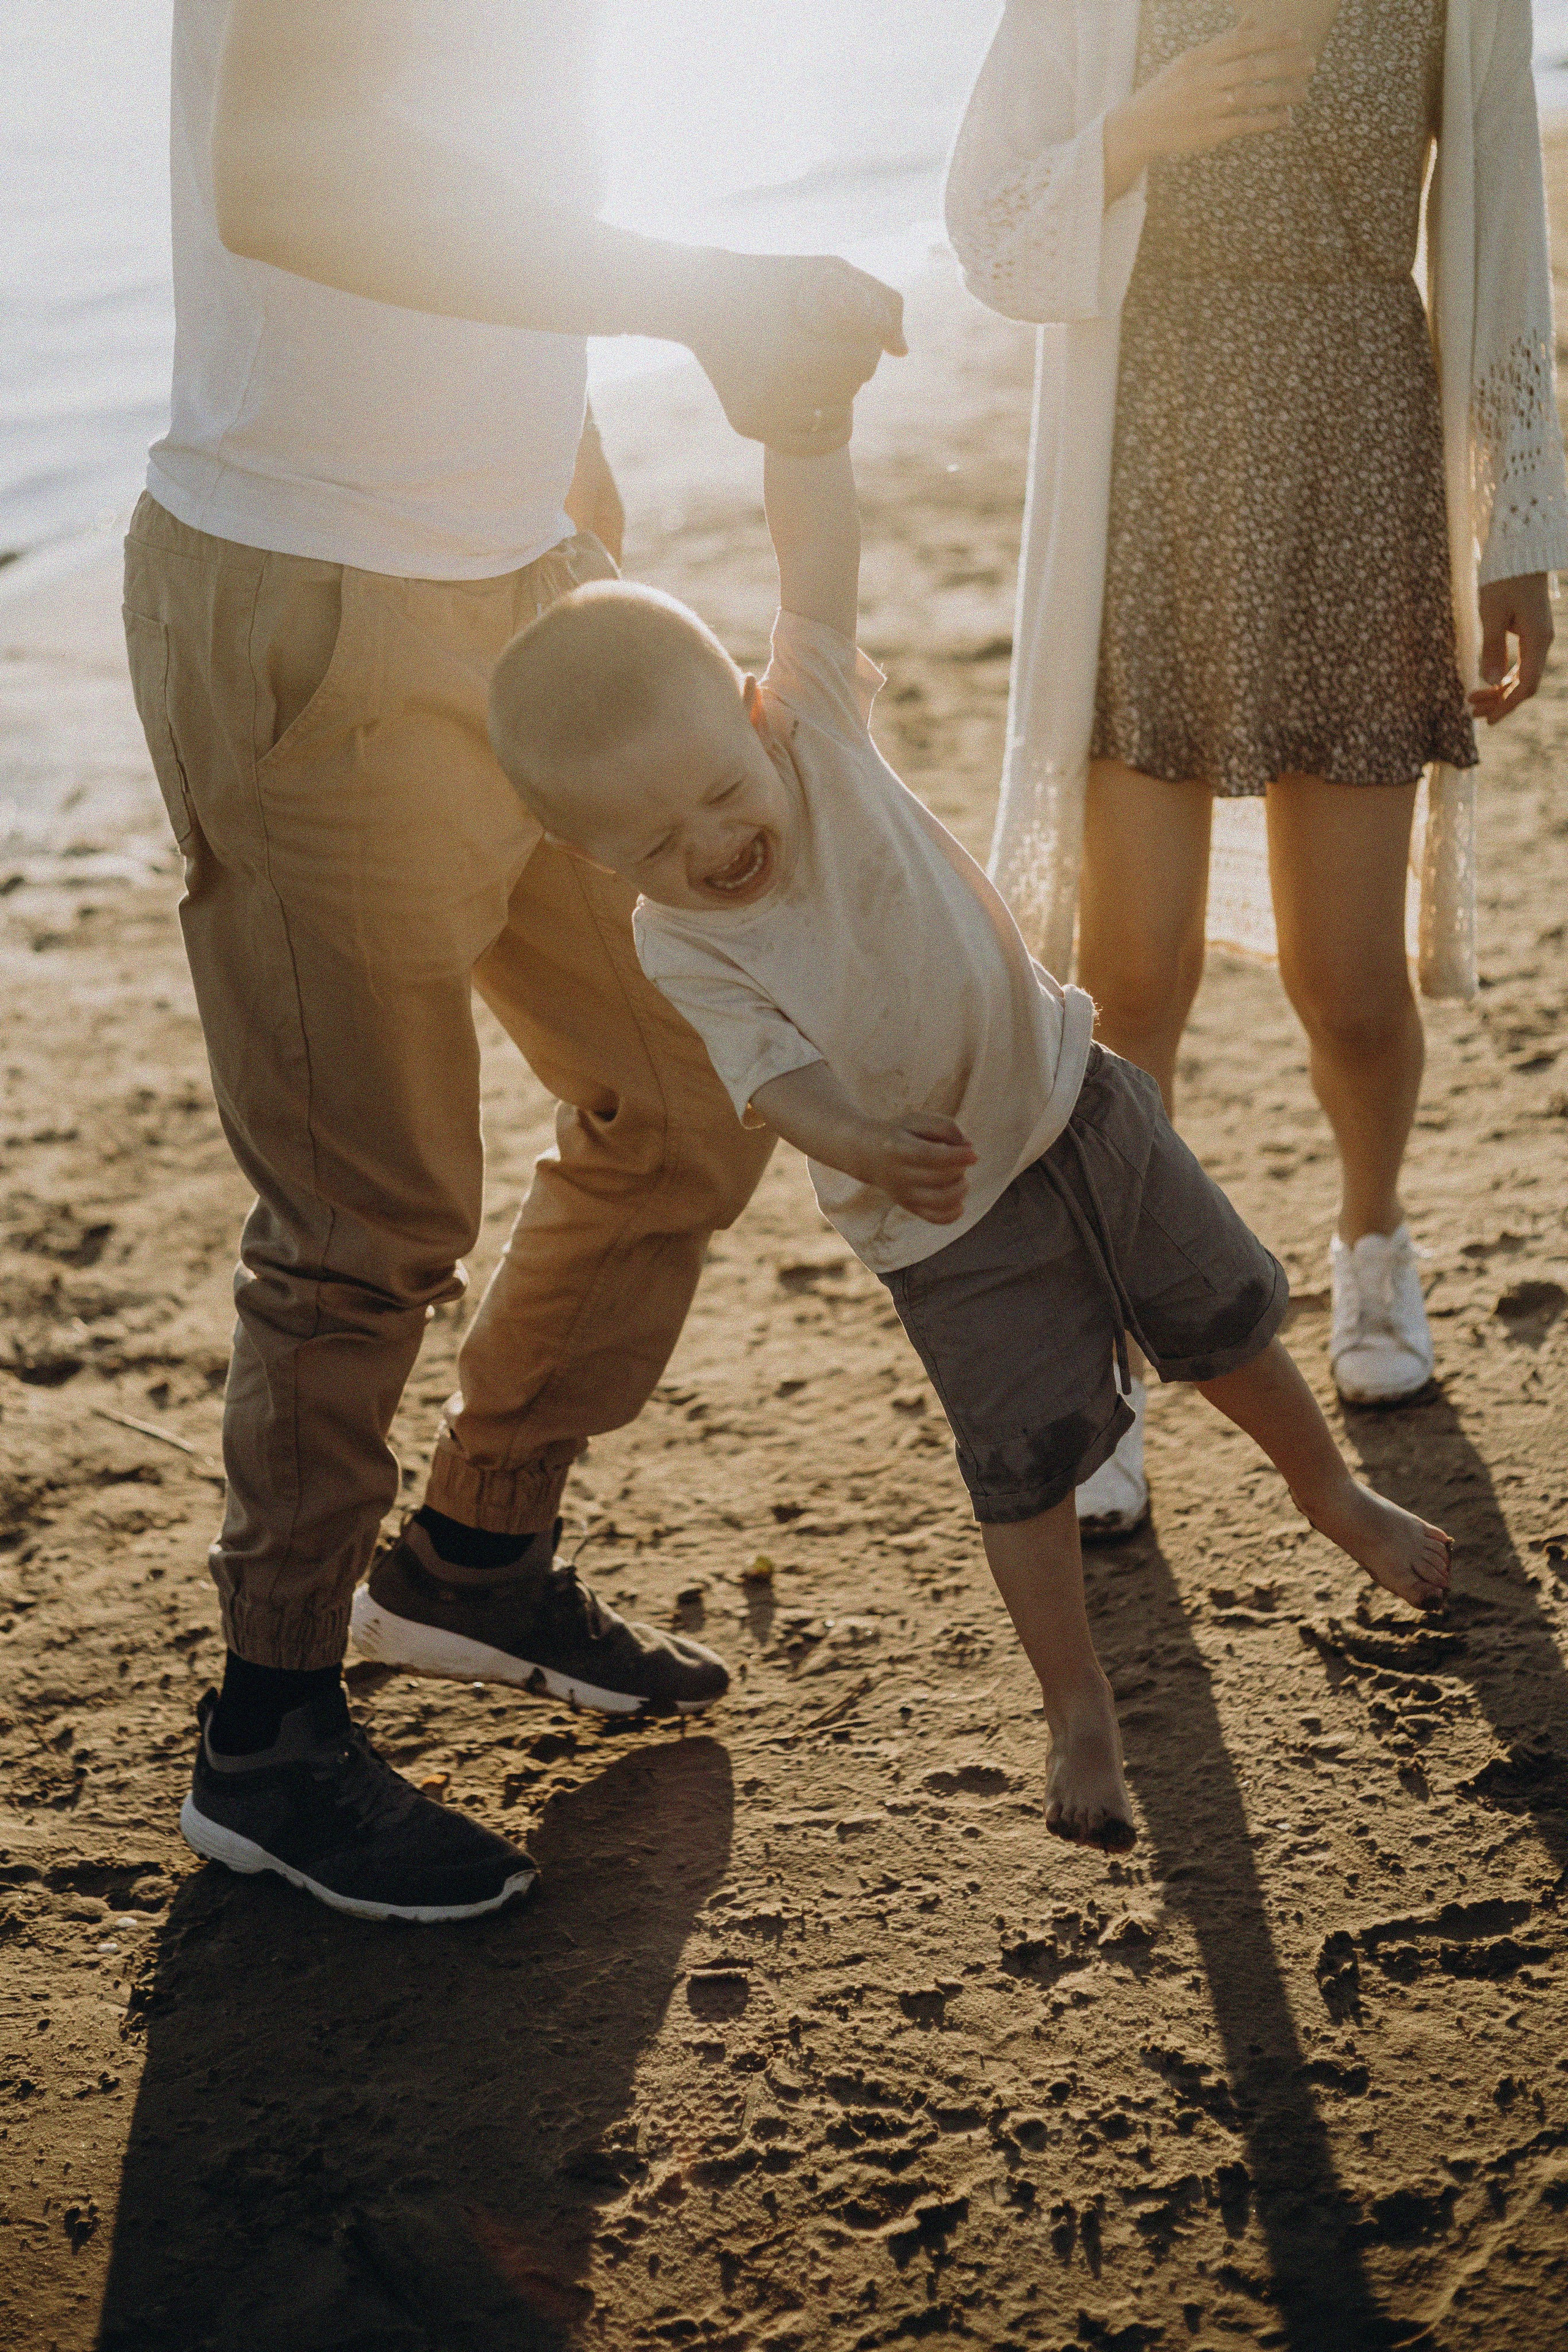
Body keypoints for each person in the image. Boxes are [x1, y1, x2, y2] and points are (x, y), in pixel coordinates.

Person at [133, 0, 905, 1924]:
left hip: (518, 576)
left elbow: (496, 141)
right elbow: (289, 172)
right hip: (310, 599)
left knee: (689, 1097)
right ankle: (273, 1733)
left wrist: (560, 470)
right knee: (369, 1223)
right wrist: (704, 290)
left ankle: (472, 1560)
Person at [481, 438, 1454, 1852]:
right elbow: (772, 1087)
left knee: (1222, 1316)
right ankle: (1074, 1700)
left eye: (714, 790)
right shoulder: (676, 941)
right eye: (649, 838)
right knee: (1022, 1460)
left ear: (753, 714)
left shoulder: (810, 719)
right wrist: (866, 1143)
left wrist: (798, 416)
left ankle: (1329, 1493)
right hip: (942, 1221)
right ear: (596, 860)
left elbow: (816, 547)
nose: (706, 842)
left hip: (1073, 1099)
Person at [943, 0, 1568, 1539]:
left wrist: (1516, 528)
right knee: (1132, 980)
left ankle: (1369, 1240)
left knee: (1347, 975)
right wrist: (1142, 127)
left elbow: (1495, 223)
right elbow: (986, 220)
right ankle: (1109, 1354)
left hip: (1360, 441)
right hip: (1146, 453)